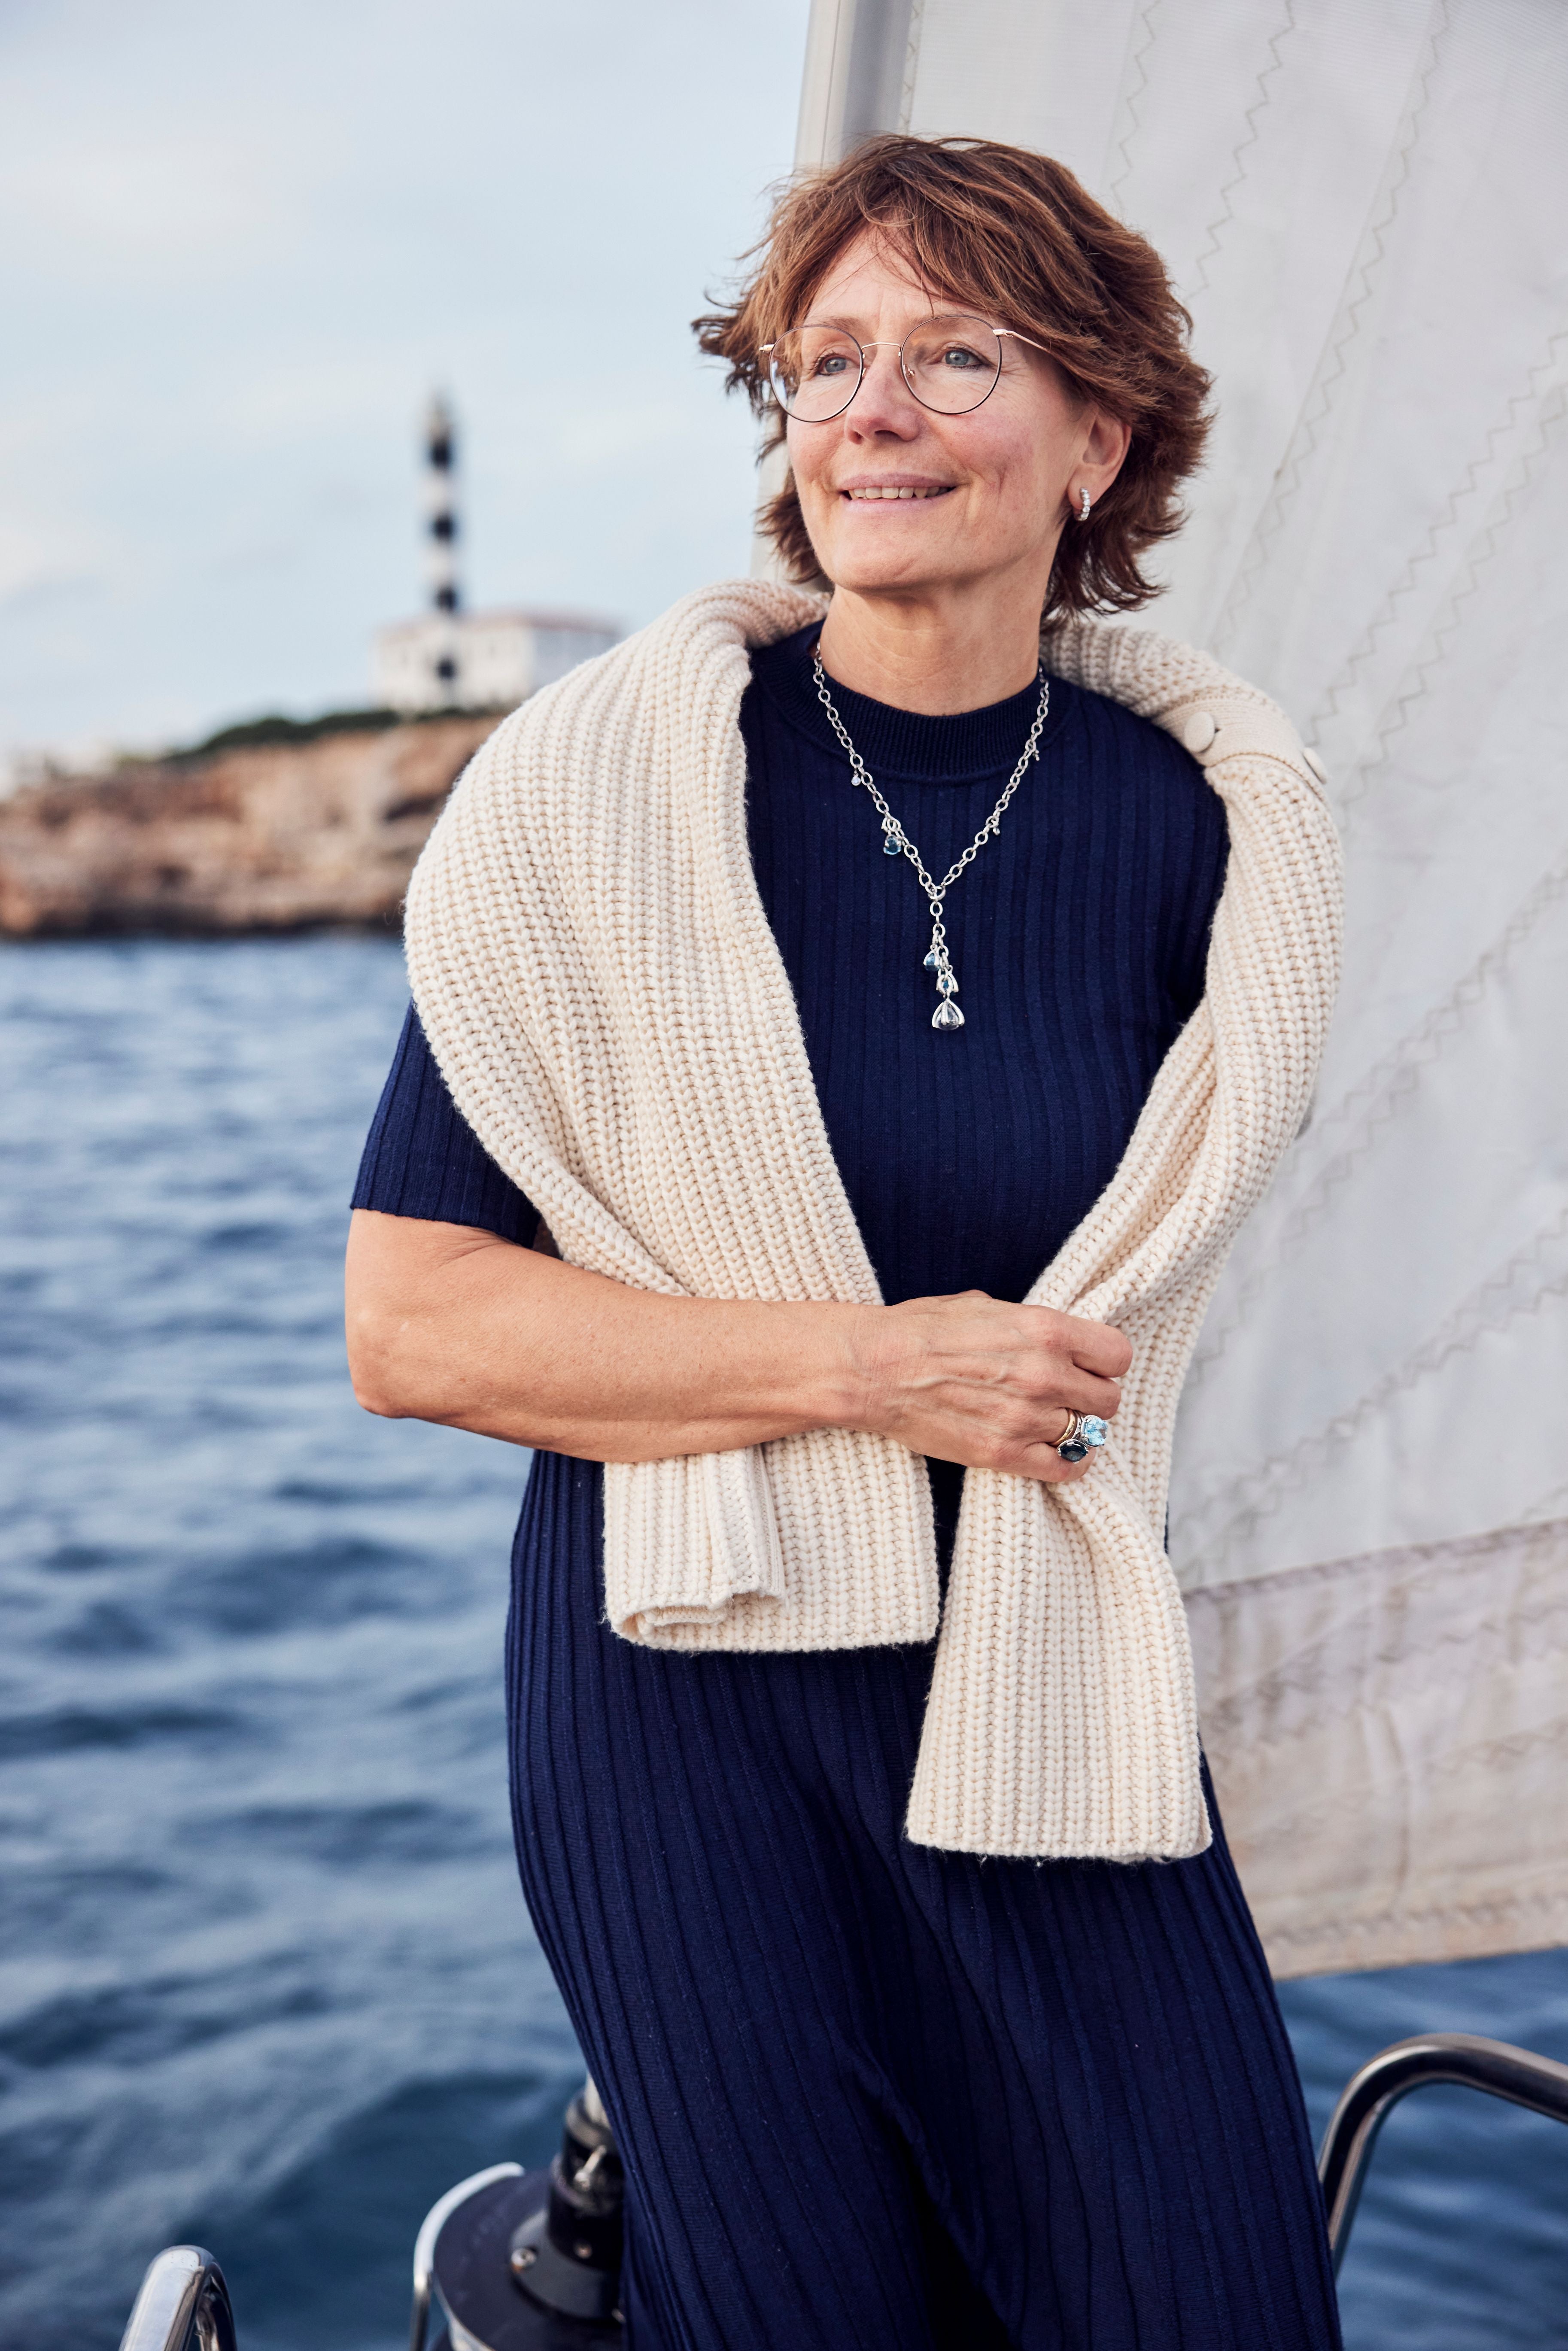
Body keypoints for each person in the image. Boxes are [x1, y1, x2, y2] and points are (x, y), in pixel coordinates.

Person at [346, 135, 1343, 2351]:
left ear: (1098, 438)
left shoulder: (1208, 836)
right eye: (825, 362)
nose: (871, 413)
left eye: (955, 357)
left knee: (1213, 2295)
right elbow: (412, 1324)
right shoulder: (598, 800)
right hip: (690, 1724)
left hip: (1055, 1690)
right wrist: (878, 1369)